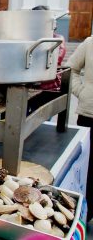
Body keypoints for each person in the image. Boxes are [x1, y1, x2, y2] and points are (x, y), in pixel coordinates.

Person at [66, 36, 93, 222]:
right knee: (88, 167)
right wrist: (82, 93)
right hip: (90, 113)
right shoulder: (90, 43)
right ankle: (85, 213)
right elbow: (71, 69)